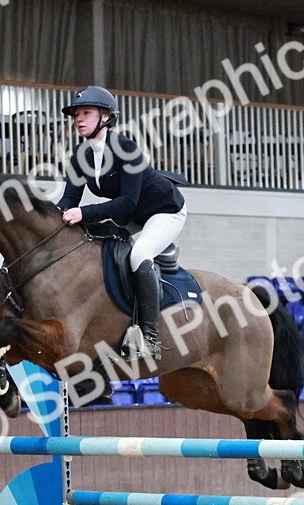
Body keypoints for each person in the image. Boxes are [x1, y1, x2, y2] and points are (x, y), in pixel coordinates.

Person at [56, 86, 187, 361]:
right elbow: (69, 198)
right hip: (131, 217)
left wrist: (84, 212)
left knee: (139, 254)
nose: (79, 119)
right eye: (76, 114)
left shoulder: (126, 148)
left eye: (86, 113)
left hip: (165, 210)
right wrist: (52, 221)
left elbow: (128, 201)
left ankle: (150, 336)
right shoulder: (81, 156)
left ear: (106, 117)